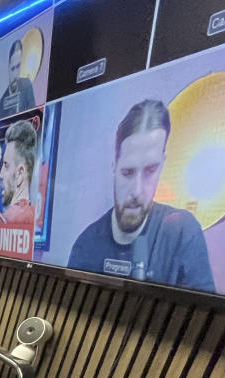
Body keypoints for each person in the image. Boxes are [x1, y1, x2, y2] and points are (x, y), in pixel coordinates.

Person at [68, 99, 215, 291]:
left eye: (150, 171)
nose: (136, 191)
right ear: (114, 166)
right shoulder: (86, 244)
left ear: (162, 164)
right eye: (127, 172)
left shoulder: (184, 232)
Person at [0, 119, 37, 226]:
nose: (1, 175)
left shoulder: (6, 221)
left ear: (20, 173)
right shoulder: (36, 217)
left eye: (6, 165)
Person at [0, 39, 36, 119]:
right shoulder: (1, 103)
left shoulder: (27, 85)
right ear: (8, 68)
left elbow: (33, 116)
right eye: (13, 69)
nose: (15, 75)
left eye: (18, 66)